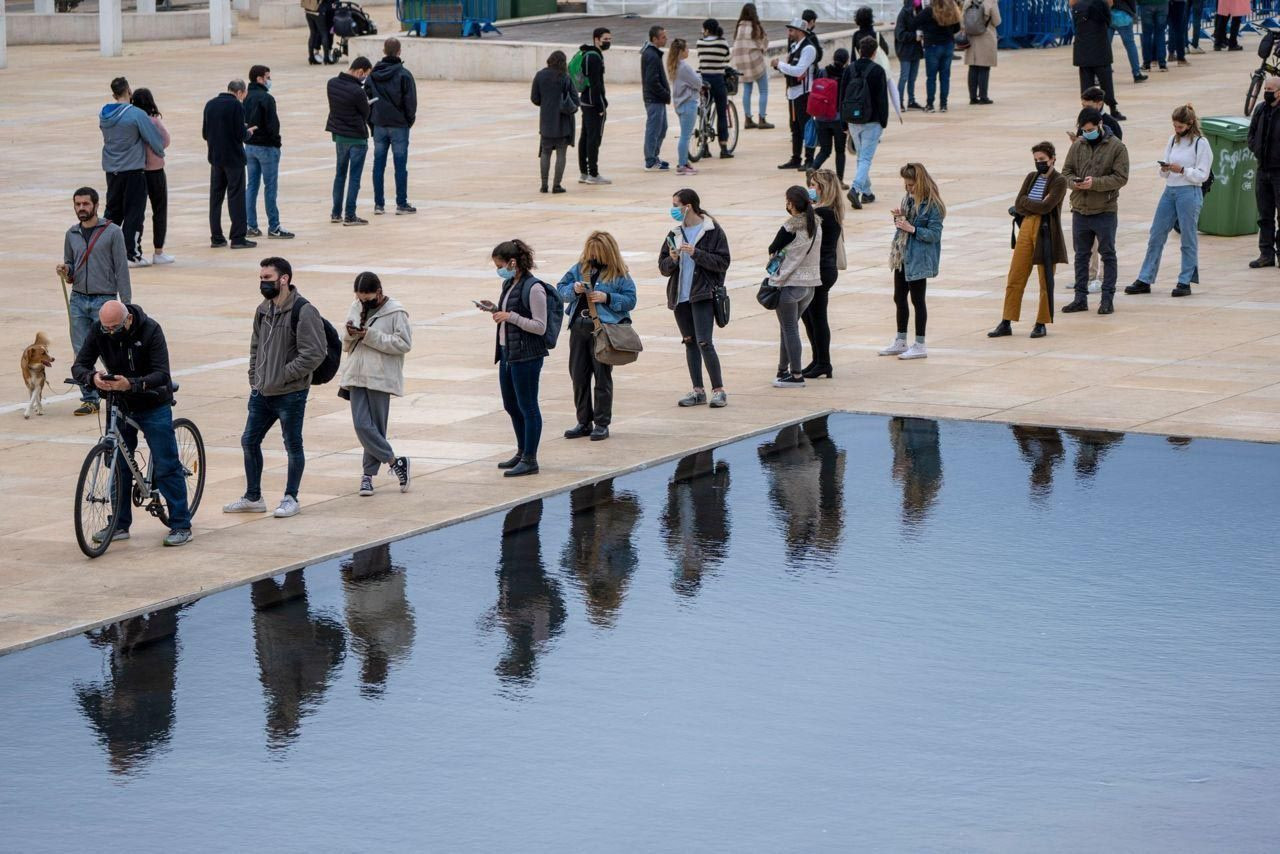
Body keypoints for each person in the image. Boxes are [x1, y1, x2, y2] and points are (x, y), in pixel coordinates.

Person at [71, 299, 191, 546]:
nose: (110, 332)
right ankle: (119, 524)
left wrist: (133, 384)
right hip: (119, 402)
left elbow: (162, 374)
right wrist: (92, 378)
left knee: (167, 463)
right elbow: (79, 364)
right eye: (106, 328)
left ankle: (181, 524)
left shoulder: (151, 330)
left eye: (115, 327)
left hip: (152, 402)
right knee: (117, 465)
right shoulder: (99, 330)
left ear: (127, 319)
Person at [224, 257, 327, 519]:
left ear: (284, 279)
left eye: (267, 279)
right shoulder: (263, 309)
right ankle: (253, 497)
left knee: (292, 444)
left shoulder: (303, 311)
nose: (263, 283)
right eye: (261, 278)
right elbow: (255, 346)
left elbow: (314, 353)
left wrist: (283, 376)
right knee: (249, 441)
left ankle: (291, 497)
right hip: (261, 391)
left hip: (290, 393)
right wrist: (254, 376)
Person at [555, 231, 637, 442]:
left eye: (597, 253)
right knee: (578, 376)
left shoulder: (619, 274)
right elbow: (560, 290)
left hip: (603, 329)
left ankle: (601, 423)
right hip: (579, 328)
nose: (592, 257)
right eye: (590, 252)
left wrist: (606, 297)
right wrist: (573, 289)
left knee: (602, 376)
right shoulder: (579, 268)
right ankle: (583, 421)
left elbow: (630, 300)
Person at [56, 187, 132, 415]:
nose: (81, 208)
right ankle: (89, 398)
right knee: (81, 352)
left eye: (85, 204)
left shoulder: (112, 232)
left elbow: (121, 269)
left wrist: (127, 305)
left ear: (96, 205)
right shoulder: (71, 234)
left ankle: (118, 390)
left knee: (110, 349)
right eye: (77, 204)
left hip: (104, 300)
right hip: (78, 299)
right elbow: (70, 268)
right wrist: (66, 269)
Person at [1127, 104, 1212, 297]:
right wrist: (1165, 169)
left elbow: (1203, 174)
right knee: (1156, 234)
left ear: (1190, 124)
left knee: (1188, 237)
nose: (1177, 130)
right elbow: (1163, 170)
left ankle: (1185, 280)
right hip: (1170, 190)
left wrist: (1182, 170)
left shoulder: (1201, 143)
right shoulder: (1172, 141)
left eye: (1180, 127)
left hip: (1189, 192)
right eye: (1175, 126)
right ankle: (1145, 278)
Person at [340, 271, 412, 496]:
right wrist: (352, 334)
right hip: (356, 373)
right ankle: (394, 462)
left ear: (379, 292)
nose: (364, 302)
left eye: (368, 298)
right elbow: (345, 343)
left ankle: (367, 477)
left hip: (381, 376)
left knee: (376, 428)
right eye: (360, 298)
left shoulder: (396, 312)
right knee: (362, 425)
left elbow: (404, 343)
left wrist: (369, 335)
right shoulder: (355, 306)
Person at [659, 188, 731, 407]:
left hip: (702, 295)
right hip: (680, 297)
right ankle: (697, 390)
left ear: (687, 206)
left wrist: (695, 253)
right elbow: (663, 267)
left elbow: (723, 262)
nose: (674, 210)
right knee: (690, 342)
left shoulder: (712, 231)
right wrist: (672, 259)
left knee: (704, 342)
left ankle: (718, 390)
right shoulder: (674, 233)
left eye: (676, 205)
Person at [990, 141, 1068, 339]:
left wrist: (1030, 204)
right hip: (1026, 227)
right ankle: (1006, 321)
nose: (1039, 163)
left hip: (1046, 231)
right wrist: (1034, 204)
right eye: (1036, 160)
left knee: (1045, 279)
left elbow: (1046, 207)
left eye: (1042, 159)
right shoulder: (1031, 177)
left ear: (1052, 159)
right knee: (1016, 275)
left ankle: (1041, 322)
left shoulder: (1059, 181)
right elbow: (1019, 202)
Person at [488, 239, 548, 477]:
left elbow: (539, 326)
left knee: (528, 406)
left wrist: (509, 316)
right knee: (511, 405)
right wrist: (494, 309)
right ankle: (522, 450)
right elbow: (509, 313)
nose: (498, 269)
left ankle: (530, 459)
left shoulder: (534, 288)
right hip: (507, 353)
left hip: (526, 355)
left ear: (512, 262)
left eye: (500, 264)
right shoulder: (509, 284)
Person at [1061, 107, 1130, 315]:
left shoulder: (1117, 147)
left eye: (1090, 129)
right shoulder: (1078, 145)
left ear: (1100, 125)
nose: (1086, 133)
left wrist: (1095, 183)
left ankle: (1107, 298)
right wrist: (1075, 183)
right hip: (1080, 209)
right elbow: (1065, 172)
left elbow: (1121, 177)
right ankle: (1080, 298)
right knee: (1081, 255)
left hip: (1105, 210)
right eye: (1083, 130)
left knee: (1107, 254)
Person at [880, 162, 945, 360]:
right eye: (906, 185)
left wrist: (912, 229)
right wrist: (899, 219)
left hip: (919, 257)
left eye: (911, 185)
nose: (908, 189)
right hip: (903, 253)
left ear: (921, 182)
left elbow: (934, 234)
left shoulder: (933, 205)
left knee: (918, 300)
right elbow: (904, 225)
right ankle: (901, 340)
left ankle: (920, 343)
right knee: (899, 297)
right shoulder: (908, 199)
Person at [99, 76, 166, 267]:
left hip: (112, 169)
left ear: (113, 94)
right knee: (134, 212)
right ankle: (132, 254)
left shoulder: (104, 114)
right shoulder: (136, 114)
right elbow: (153, 139)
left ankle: (103, 250)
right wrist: (160, 152)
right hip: (133, 169)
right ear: (129, 90)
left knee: (112, 211)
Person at [767, 186, 824, 388]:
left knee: (789, 328)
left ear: (791, 203)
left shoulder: (791, 227)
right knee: (787, 327)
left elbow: (772, 248)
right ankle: (783, 370)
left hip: (791, 284)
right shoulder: (816, 224)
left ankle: (796, 375)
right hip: (810, 285)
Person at [802, 169, 845, 377]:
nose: (810, 189)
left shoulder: (823, 213)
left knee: (817, 318)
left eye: (813, 185)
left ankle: (823, 362)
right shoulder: (829, 210)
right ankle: (818, 359)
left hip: (820, 270)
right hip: (822, 269)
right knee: (810, 317)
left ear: (823, 188)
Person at [244, 65, 295, 240]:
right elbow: (273, 125)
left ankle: (251, 225)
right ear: (259, 78)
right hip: (266, 146)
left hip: (249, 146)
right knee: (270, 187)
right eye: (267, 77)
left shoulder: (245, 96)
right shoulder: (266, 98)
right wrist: (276, 143)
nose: (269, 80)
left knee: (251, 186)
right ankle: (274, 226)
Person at [203, 79, 255, 249]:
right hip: (234, 159)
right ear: (239, 92)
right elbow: (240, 135)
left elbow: (205, 133)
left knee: (215, 199)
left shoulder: (210, 104)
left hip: (216, 159)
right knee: (236, 198)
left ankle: (216, 237)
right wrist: (248, 132)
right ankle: (238, 238)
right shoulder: (236, 106)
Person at [369, 38, 418, 216]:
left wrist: (372, 121)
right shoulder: (404, 74)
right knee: (400, 165)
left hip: (379, 124)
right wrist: (408, 121)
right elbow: (410, 102)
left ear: (384, 51)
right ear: (399, 52)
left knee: (378, 165)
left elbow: (367, 100)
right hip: (399, 126)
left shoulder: (373, 74)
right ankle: (401, 203)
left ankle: (378, 205)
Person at [325, 56, 374, 226]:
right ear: (360, 71)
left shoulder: (331, 84)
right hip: (357, 138)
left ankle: (336, 213)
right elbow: (365, 113)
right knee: (354, 178)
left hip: (340, 136)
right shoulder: (358, 91)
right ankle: (350, 215)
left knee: (340, 175)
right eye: (365, 74)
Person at [843, 37, 890, 210]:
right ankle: (855, 189)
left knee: (862, 156)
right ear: (874, 52)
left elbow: (843, 96)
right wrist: (883, 121)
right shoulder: (878, 71)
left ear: (859, 50)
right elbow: (882, 99)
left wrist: (844, 122)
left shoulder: (850, 69)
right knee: (865, 158)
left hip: (853, 120)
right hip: (872, 120)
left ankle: (867, 192)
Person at [128, 88, 174, 265]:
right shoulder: (154, 122)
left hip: (137, 170)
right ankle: (158, 251)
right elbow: (165, 141)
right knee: (159, 210)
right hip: (155, 171)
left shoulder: (131, 120)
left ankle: (135, 249)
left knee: (137, 211)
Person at [774, 19, 820, 170]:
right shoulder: (794, 47)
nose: (789, 33)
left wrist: (779, 65)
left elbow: (799, 70)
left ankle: (809, 159)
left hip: (805, 93)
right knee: (795, 127)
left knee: (807, 126)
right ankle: (795, 158)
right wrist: (782, 67)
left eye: (791, 30)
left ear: (800, 31)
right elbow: (791, 69)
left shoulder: (809, 49)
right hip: (793, 93)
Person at [531, 50, 578, 193]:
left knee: (545, 153)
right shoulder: (565, 78)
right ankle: (556, 185)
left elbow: (535, 98)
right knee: (561, 154)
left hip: (546, 121)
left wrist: (546, 103)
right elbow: (575, 100)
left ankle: (544, 184)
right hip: (563, 122)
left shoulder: (540, 76)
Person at [1072, 0, 1124, 121]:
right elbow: (1108, 21)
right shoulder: (1101, 4)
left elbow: (1076, 24)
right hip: (1100, 48)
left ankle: (1086, 110)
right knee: (1106, 82)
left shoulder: (1077, 6)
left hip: (1083, 48)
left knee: (1086, 83)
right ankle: (1113, 109)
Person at [1247, 76, 1280, 267]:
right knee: (1264, 214)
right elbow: (1251, 133)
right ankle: (1266, 254)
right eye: (1265, 88)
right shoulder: (1260, 109)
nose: (1267, 91)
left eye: (1270, 89)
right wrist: (1256, 148)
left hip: (1278, 171)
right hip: (1262, 169)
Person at [578, 28, 613, 185]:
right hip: (593, 103)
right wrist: (600, 106)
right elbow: (595, 84)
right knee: (593, 138)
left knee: (585, 137)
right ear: (596, 39)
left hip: (585, 101)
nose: (608, 42)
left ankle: (584, 173)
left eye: (609, 39)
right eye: (605, 39)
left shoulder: (587, 54)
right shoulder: (594, 58)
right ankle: (593, 173)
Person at [696, 19, 734, 160]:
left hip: (704, 80)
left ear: (706, 30)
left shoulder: (700, 43)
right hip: (718, 79)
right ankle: (724, 148)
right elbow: (727, 58)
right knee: (721, 113)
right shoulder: (722, 43)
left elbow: (701, 57)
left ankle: (704, 147)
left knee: (705, 111)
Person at [812, 48, 850, 186]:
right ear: (846, 60)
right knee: (840, 151)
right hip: (838, 119)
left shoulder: (823, 71)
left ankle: (813, 167)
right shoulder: (846, 73)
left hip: (822, 117)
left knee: (825, 150)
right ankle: (839, 180)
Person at [915, 0, 961, 113]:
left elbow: (915, 22)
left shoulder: (928, 10)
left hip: (932, 45)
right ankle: (943, 104)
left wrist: (926, 28)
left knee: (931, 77)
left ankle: (930, 105)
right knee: (945, 77)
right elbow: (957, 27)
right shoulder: (951, 8)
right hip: (948, 45)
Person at [733, 4, 773, 128]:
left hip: (742, 63)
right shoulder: (756, 27)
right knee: (763, 90)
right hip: (756, 62)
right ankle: (762, 119)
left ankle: (748, 119)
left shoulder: (739, 28)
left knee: (747, 90)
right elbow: (763, 44)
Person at [669, 39, 703, 175]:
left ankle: (684, 162)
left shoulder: (675, 65)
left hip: (680, 104)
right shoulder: (684, 67)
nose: (688, 51)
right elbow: (697, 83)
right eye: (686, 49)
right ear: (681, 51)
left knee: (685, 135)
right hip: (688, 103)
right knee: (685, 136)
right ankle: (682, 164)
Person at [641, 25, 671, 171]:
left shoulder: (653, 53)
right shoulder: (651, 55)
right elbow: (652, 80)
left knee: (662, 127)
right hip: (654, 99)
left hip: (657, 99)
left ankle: (654, 156)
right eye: (663, 37)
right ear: (655, 39)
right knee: (654, 129)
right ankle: (650, 160)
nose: (666, 39)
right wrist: (664, 93)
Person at [964, 0, 1001, 105]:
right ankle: (983, 97)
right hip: (986, 37)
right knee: (984, 67)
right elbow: (997, 21)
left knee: (973, 67)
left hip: (971, 38)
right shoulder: (990, 2)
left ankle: (972, 97)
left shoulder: (968, 1)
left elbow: (963, 18)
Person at [895, 0, 925, 109]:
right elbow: (899, 34)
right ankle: (899, 101)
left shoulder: (918, 12)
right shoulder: (903, 14)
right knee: (904, 77)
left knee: (913, 77)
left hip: (915, 50)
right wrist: (914, 36)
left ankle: (911, 101)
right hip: (905, 51)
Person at [1110, 0, 1147, 82]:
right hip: (1123, 15)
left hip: (1107, 15)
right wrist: (1132, 12)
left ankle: (1100, 74)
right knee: (1130, 45)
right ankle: (1136, 73)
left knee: (1104, 46)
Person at [1138, 0, 1169, 73]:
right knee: (1160, 34)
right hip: (1162, 4)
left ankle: (1146, 64)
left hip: (1146, 4)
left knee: (1147, 34)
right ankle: (1162, 64)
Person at [303, 0, 336, 65]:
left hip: (309, 9)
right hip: (321, 9)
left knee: (313, 33)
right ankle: (326, 58)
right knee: (324, 32)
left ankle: (311, 57)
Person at [1168, 0, 1189, 66]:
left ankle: (1154, 59)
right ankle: (1180, 58)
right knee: (1179, 29)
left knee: (1160, 30)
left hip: (1165, 3)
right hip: (1179, 2)